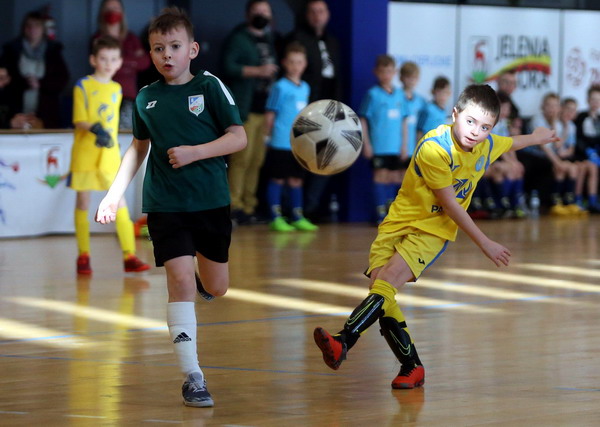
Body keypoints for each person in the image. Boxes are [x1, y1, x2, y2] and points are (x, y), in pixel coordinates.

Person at [313, 84, 558, 389]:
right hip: (398, 222)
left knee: (387, 283)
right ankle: (412, 367)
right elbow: (451, 203)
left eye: (485, 127)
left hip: (432, 230)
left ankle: (344, 340)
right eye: (470, 122)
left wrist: (537, 137)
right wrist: (485, 242)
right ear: (455, 114)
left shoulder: (485, 144)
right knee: (382, 292)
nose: (476, 132)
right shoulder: (435, 148)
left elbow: (509, 143)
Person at [96, 7, 247, 407]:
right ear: (149, 53)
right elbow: (138, 148)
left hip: (210, 202)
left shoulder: (210, 87)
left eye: (175, 46)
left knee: (217, 286)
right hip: (165, 205)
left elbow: (238, 138)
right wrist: (114, 194)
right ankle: (192, 376)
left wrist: (196, 152)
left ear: (192, 50)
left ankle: (204, 285)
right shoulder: (147, 98)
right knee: (179, 282)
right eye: (158, 48)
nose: (167, 55)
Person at [68, 35, 150, 275]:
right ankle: (83, 255)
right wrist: (95, 129)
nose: (108, 63)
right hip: (85, 154)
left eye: (113, 59)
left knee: (118, 201)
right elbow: (79, 119)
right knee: (83, 201)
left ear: (120, 62)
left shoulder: (116, 89)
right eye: (103, 58)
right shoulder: (83, 85)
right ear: (93, 60)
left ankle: (129, 255)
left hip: (109, 156)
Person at [221, 0, 279, 225]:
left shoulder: (271, 39)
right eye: (257, 11)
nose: (261, 15)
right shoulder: (239, 38)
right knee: (241, 159)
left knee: (256, 160)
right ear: (248, 14)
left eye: (265, 11)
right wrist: (258, 71)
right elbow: (228, 67)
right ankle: (233, 206)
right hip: (244, 108)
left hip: (266, 109)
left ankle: (249, 206)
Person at [285, 0, 342, 222]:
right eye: (313, 12)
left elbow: (337, 76)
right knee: (300, 158)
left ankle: (311, 206)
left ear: (327, 14)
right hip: (307, 107)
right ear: (307, 15)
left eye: (321, 11)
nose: (317, 16)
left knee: (326, 158)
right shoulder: (298, 39)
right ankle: (292, 209)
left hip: (330, 109)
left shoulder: (333, 41)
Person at [264, 42, 317, 232]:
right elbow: (270, 113)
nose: (296, 66)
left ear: (305, 64)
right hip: (280, 141)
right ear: (285, 63)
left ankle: (297, 216)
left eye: (299, 62)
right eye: (292, 62)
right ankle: (275, 217)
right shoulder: (280, 86)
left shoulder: (305, 87)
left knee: (296, 180)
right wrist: (266, 137)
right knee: (278, 178)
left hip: (299, 143)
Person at [0, 10, 69, 128]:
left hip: (46, 113)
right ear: (23, 28)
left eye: (36, 25)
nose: (32, 29)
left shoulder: (53, 51)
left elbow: (62, 79)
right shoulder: (12, 50)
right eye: (29, 26)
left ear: (43, 29)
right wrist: (25, 83)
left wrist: (40, 83)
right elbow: (4, 79)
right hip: (16, 112)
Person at [359, 54, 404, 224]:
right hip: (378, 145)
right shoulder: (373, 94)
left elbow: (404, 121)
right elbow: (363, 119)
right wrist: (366, 144)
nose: (386, 75)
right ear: (376, 72)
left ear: (395, 72)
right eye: (382, 72)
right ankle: (379, 213)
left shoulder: (399, 94)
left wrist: (404, 144)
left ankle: (391, 212)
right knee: (380, 176)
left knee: (394, 177)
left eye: (389, 71)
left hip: (395, 146)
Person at [92, 0, 151, 130]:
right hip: (103, 94)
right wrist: (131, 63)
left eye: (115, 8)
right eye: (108, 8)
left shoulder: (131, 38)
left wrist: (118, 61)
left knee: (126, 133)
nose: (112, 11)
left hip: (128, 95)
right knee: (105, 131)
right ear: (102, 12)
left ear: (122, 13)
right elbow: (98, 65)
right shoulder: (97, 39)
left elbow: (144, 62)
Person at [529, 92, 580, 216]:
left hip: (552, 154)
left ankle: (569, 201)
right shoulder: (537, 121)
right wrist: (558, 162)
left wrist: (554, 124)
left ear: (559, 108)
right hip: (536, 156)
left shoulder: (558, 123)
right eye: (549, 105)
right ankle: (556, 202)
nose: (552, 109)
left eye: (555, 106)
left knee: (573, 168)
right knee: (559, 168)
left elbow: (557, 145)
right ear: (543, 106)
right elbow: (544, 146)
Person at [399, 62, 427, 183]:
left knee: (409, 179)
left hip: (413, 146)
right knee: (396, 177)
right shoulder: (396, 97)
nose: (411, 80)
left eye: (414, 77)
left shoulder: (421, 101)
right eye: (408, 77)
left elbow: (422, 126)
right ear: (401, 78)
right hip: (398, 146)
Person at [574, 85, 600, 213]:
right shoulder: (581, 117)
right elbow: (578, 138)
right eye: (593, 99)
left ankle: (594, 201)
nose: (595, 103)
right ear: (588, 100)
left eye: (598, 100)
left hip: (597, 153)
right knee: (590, 168)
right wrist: (588, 152)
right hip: (583, 154)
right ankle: (583, 200)